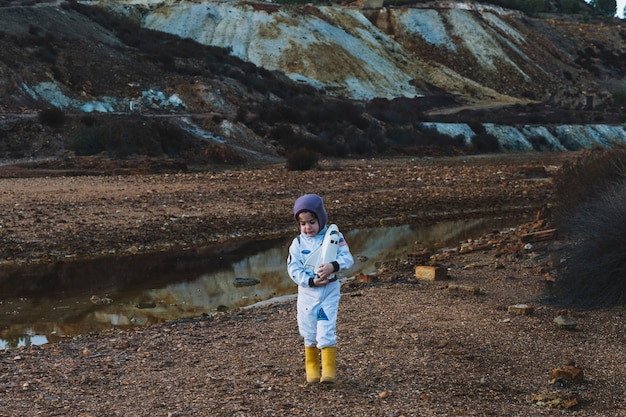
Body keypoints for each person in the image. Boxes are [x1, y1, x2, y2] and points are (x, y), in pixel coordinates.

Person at [287, 194, 354, 383]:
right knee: (309, 331)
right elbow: (293, 268)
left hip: (329, 293)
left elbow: (348, 258)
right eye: (303, 223)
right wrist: (309, 281)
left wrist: (333, 266)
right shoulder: (298, 244)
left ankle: (329, 371)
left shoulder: (335, 236)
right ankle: (312, 368)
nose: (307, 227)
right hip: (308, 295)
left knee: (325, 328)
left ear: (321, 219)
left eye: (312, 222)